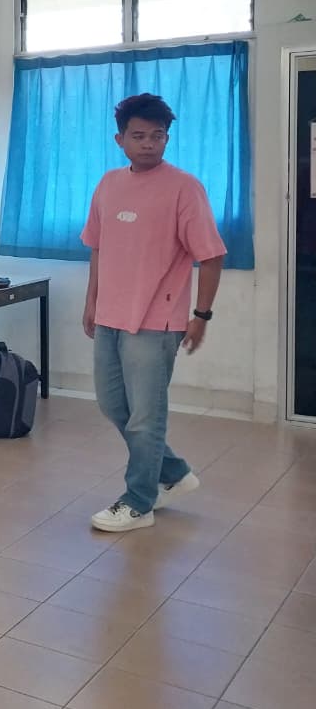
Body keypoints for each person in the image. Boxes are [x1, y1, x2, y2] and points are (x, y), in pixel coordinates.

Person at [82, 93, 224, 532]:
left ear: (167, 138)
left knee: (146, 416)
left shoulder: (184, 187)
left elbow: (211, 255)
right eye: (139, 136)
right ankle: (175, 473)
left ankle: (139, 501)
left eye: (158, 136)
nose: (149, 144)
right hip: (109, 315)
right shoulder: (108, 184)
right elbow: (98, 247)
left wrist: (201, 315)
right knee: (112, 405)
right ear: (120, 139)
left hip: (157, 321)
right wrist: (92, 300)